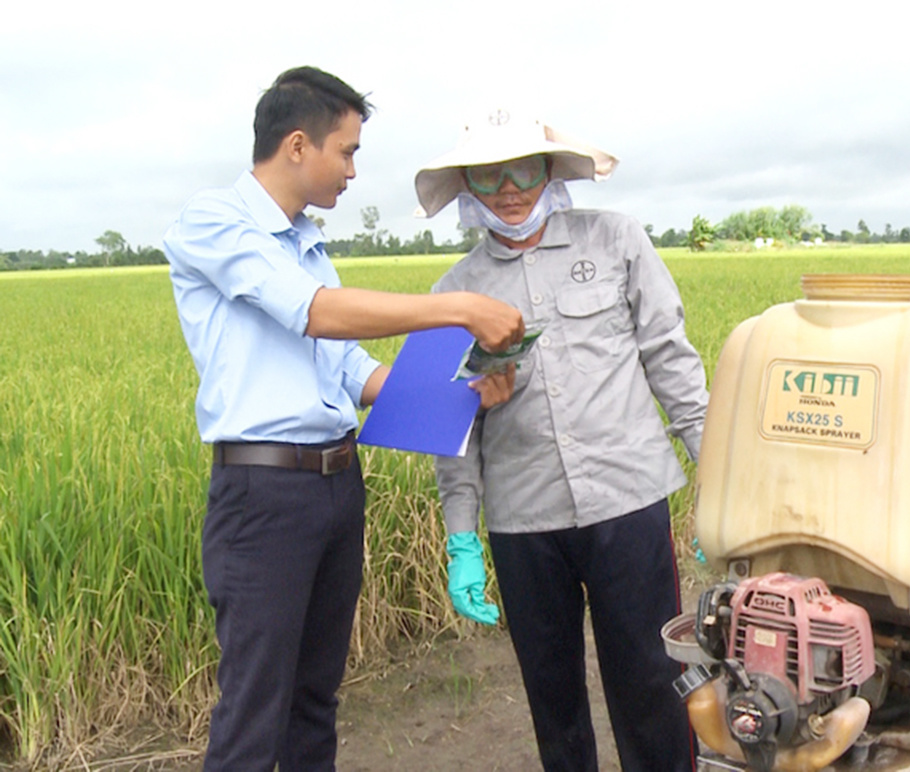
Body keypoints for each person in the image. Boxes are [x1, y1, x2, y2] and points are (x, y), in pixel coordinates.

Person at [162, 67, 523, 772]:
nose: (355, 170)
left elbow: (352, 373)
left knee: (314, 702)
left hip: (334, 485)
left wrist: (463, 394)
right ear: (298, 145)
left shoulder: (308, 243)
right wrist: (460, 307)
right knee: (253, 712)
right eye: (348, 151)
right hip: (263, 497)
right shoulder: (214, 222)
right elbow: (315, 314)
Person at [415, 109, 708, 772]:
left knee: (652, 686)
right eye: (489, 176)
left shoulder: (616, 241)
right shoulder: (452, 292)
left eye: (523, 168)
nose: (509, 188)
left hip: (627, 499)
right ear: (468, 186)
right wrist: (462, 537)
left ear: (550, 170)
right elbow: (451, 427)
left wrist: (715, 476)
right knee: (553, 701)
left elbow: (671, 361)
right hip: (524, 520)